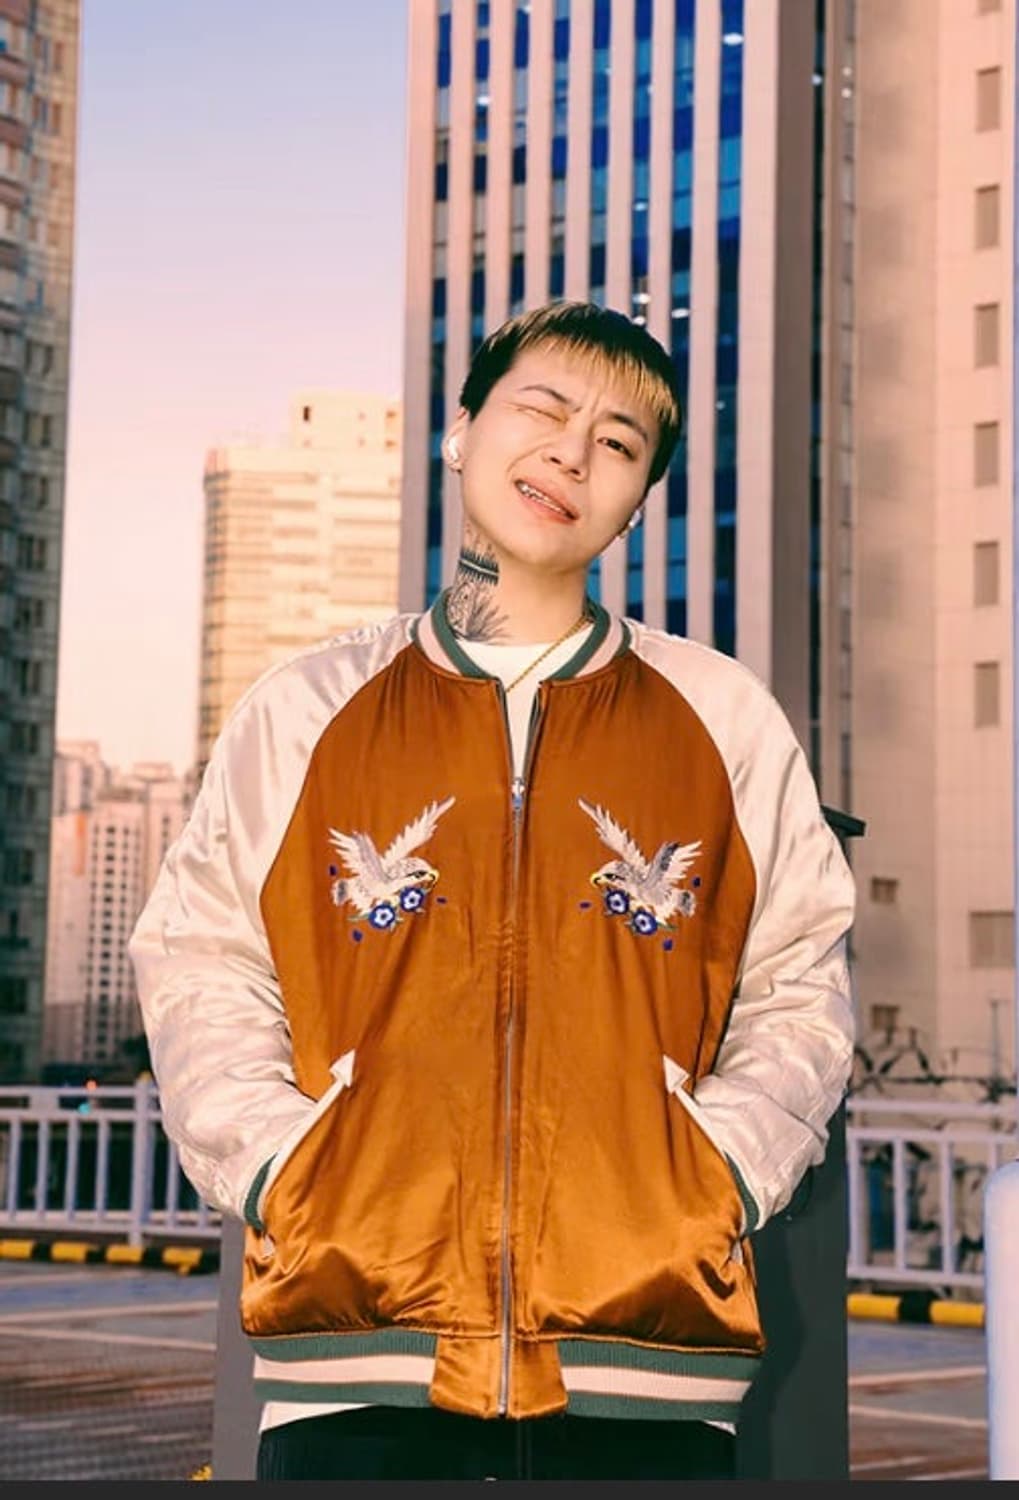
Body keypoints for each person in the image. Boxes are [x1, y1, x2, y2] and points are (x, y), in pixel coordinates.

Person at [129, 300, 856, 1481]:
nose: (571, 453)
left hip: (646, 1365)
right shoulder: (307, 707)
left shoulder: (720, 717)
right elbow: (202, 959)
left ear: (636, 498)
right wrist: (282, 1169)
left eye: (617, 442)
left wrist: (714, 1176)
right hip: (353, 1356)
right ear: (460, 431)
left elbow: (799, 983)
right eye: (543, 410)